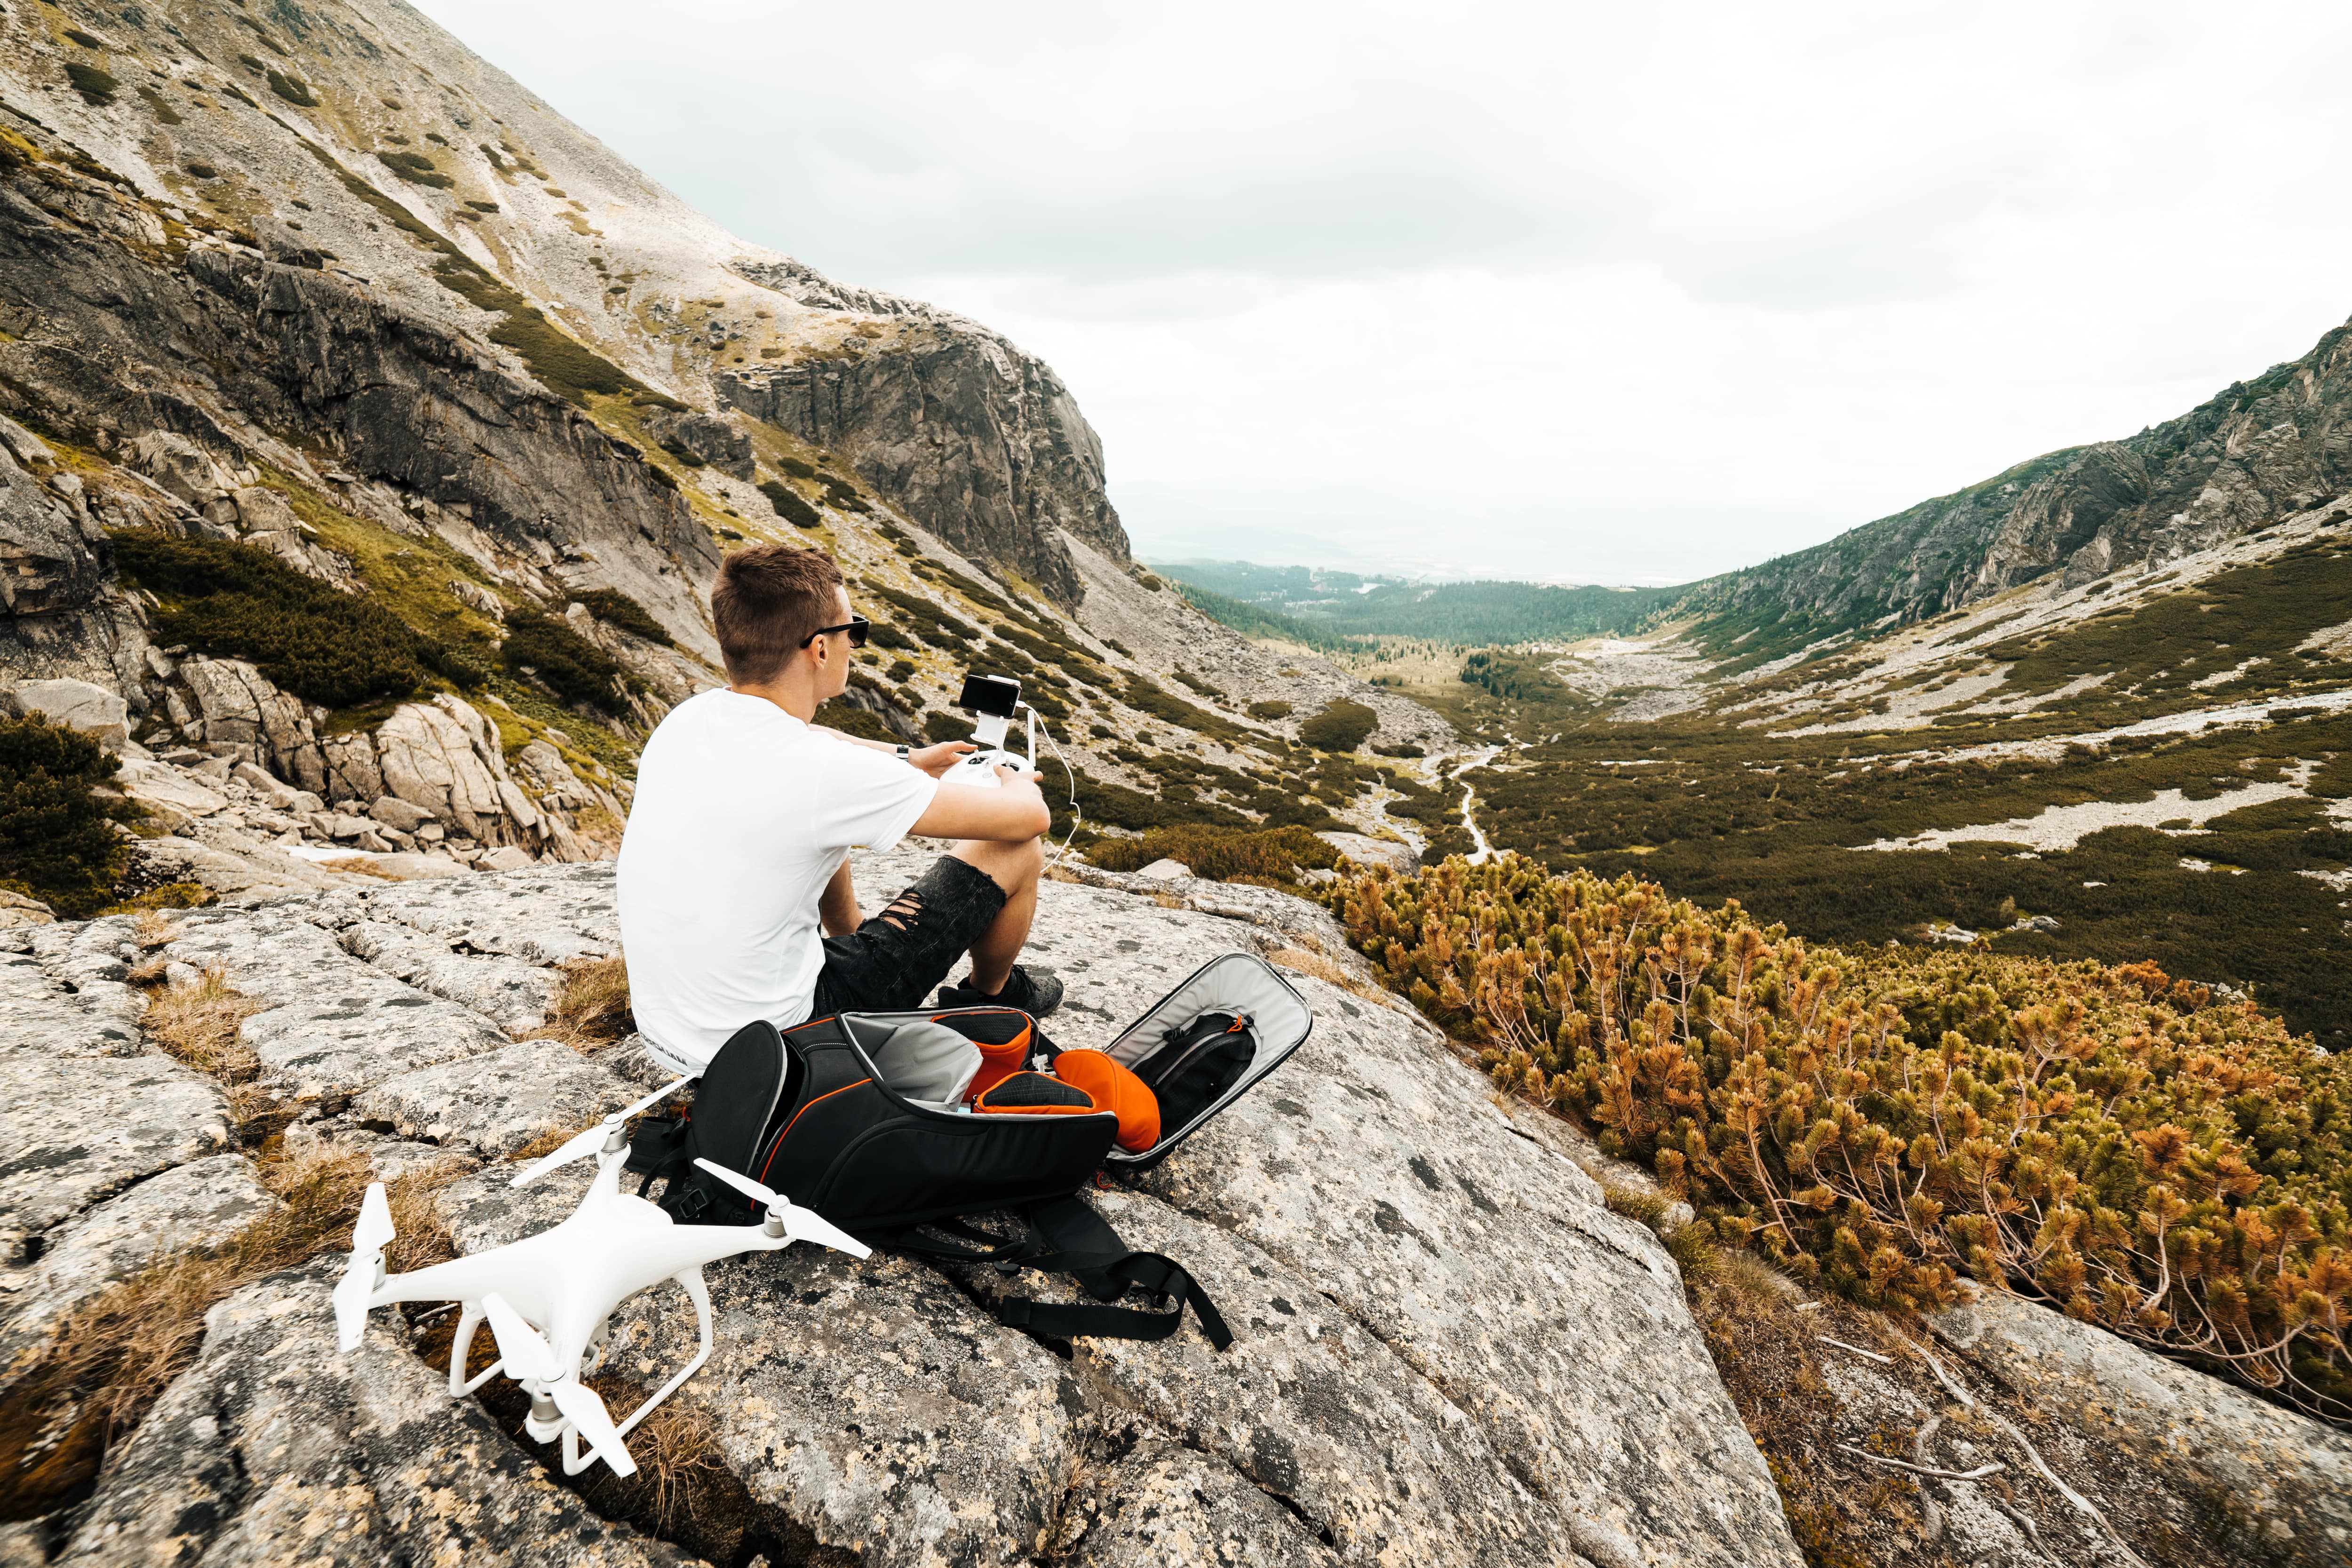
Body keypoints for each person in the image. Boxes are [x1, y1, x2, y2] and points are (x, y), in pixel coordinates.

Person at [618, 543, 1062, 1075]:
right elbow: (1030, 820)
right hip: (787, 1045)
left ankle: (852, 937)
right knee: (1015, 848)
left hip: (675, 1037)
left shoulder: (689, 719)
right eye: (853, 630)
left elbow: (812, 738)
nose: (855, 643)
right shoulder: (823, 772)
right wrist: (1013, 779)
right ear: (820, 650)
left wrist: (910, 758)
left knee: (821, 829)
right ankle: (991, 996)